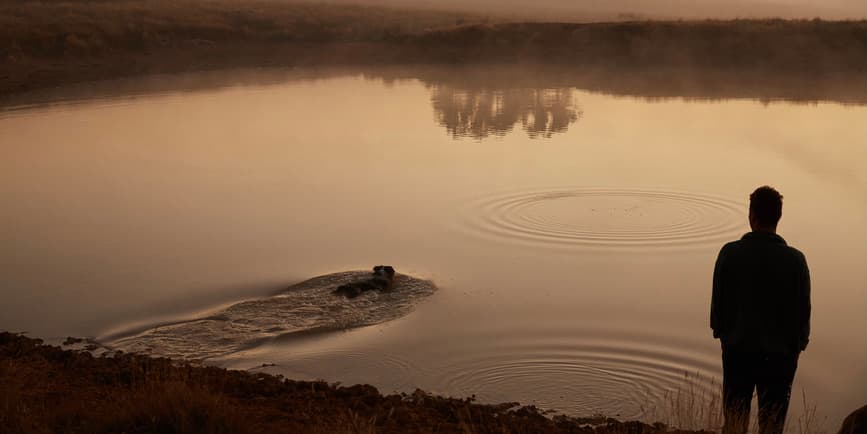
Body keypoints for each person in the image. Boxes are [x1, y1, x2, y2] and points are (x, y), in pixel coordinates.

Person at [711, 186, 811, 434]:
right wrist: (797, 348)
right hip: (780, 358)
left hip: (737, 351)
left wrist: (724, 338)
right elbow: (803, 315)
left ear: (751, 216)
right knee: (772, 425)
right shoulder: (796, 260)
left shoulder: (729, 253)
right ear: (778, 217)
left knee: (735, 422)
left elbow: (717, 310)